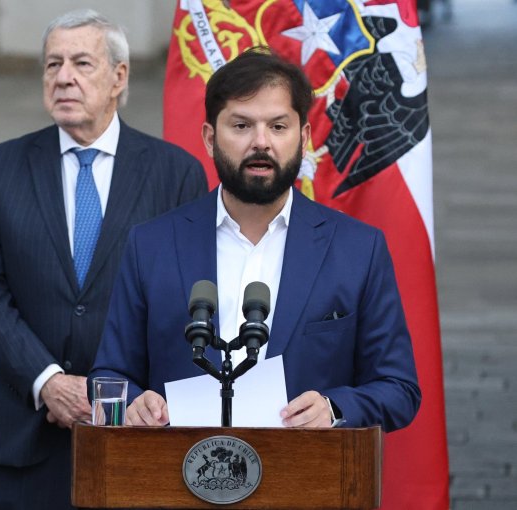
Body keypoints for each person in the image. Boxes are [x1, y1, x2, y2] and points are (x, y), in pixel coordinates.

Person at [89, 49, 421, 432]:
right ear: (210, 138)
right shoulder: (152, 244)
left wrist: (333, 407)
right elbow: (109, 373)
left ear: (305, 138)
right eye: (242, 126)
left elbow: (399, 389)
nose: (261, 142)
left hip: (303, 480)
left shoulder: (358, 250)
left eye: (278, 127)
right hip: (177, 477)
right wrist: (134, 403)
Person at [0, 9, 207, 510]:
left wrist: (132, 394)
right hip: (28, 440)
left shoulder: (175, 173)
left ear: (119, 76)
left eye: (80, 63)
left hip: (139, 434)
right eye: (52, 65)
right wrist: (47, 380)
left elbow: (189, 299)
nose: (63, 77)